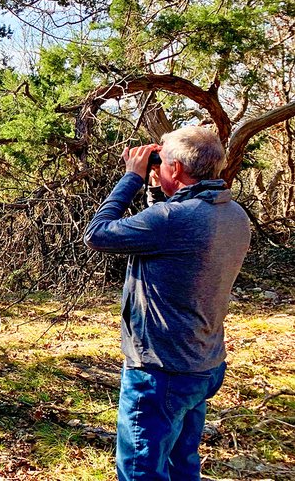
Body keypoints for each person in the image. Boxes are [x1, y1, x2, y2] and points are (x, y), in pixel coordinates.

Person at [83, 126, 251, 480]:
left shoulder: (173, 219)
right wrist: (156, 188)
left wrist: (132, 177)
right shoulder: (234, 214)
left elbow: (97, 234)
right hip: (203, 362)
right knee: (181, 463)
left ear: (174, 170)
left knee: (141, 470)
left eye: (162, 163)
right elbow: (168, 235)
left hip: (161, 370)